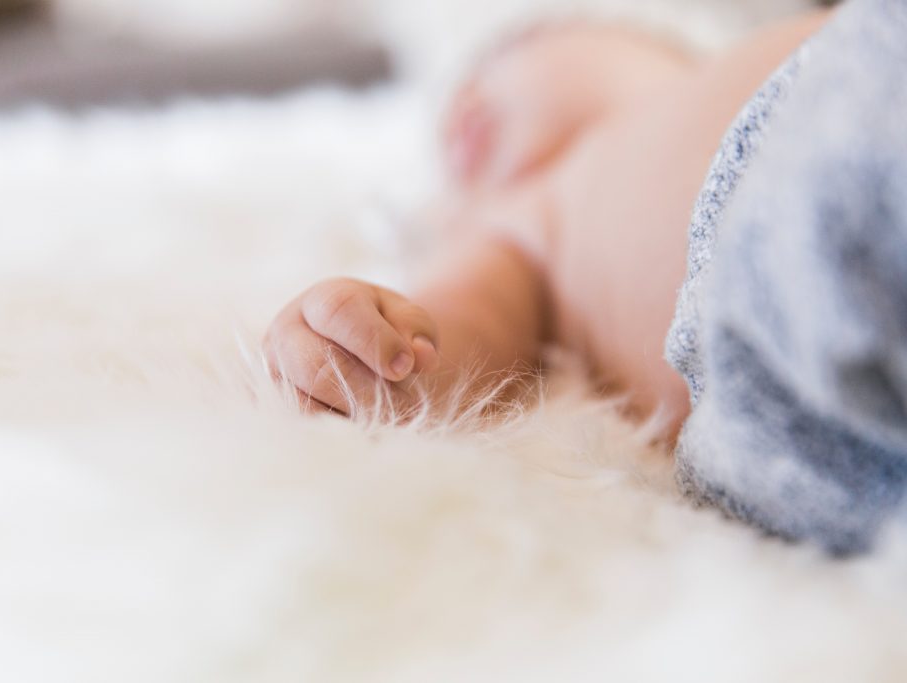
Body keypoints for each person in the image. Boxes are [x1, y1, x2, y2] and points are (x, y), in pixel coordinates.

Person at [264, 0, 907, 553]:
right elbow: (455, 331)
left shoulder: (714, 75)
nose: (460, 105)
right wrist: (379, 350)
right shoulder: (521, 220)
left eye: (508, 53)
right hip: (787, 319)